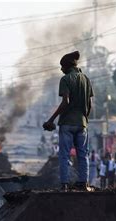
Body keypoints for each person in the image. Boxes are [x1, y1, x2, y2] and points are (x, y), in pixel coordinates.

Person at [42, 51, 94, 191]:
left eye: (62, 66)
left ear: (67, 66)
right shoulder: (86, 79)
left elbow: (66, 102)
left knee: (64, 155)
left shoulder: (65, 79)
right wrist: (84, 119)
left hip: (67, 123)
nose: (61, 69)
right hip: (82, 123)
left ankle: (64, 184)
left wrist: (51, 119)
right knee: (83, 154)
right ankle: (83, 183)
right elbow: (90, 105)